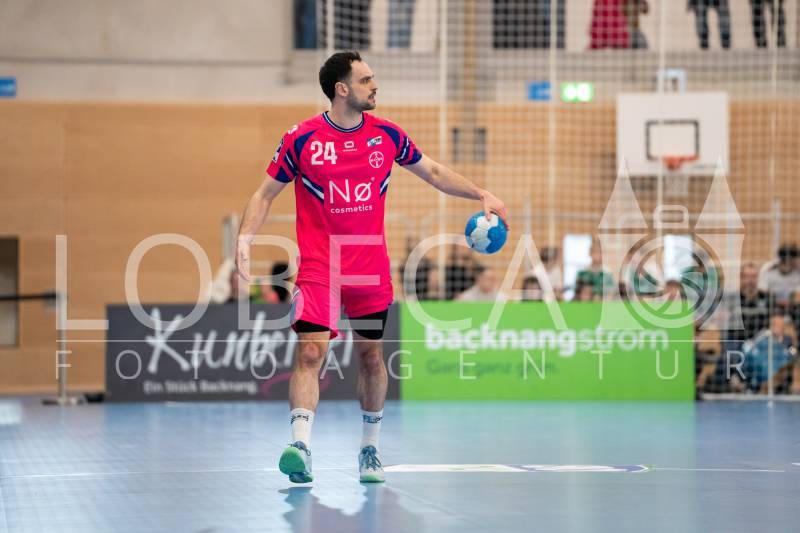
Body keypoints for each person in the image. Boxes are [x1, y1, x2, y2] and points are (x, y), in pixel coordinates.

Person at [235, 51, 508, 484]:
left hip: (370, 269)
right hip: (320, 267)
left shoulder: (387, 135)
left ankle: (369, 450)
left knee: (371, 358)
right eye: (365, 80)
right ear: (341, 89)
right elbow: (265, 193)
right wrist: (245, 238)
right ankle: (300, 446)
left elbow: (434, 172)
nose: (374, 85)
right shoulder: (301, 138)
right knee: (310, 352)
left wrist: (481, 194)